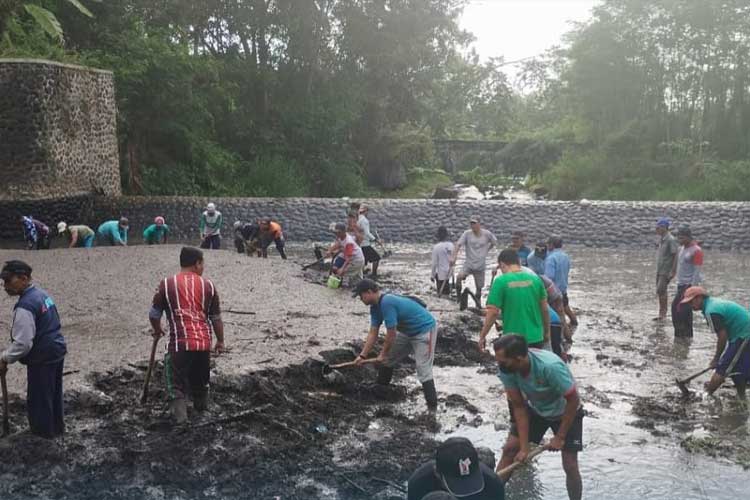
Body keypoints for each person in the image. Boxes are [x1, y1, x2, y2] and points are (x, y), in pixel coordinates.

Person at [493, 335, 583, 500]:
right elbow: (519, 407)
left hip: (567, 411)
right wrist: (524, 446)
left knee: (570, 464)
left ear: (519, 358)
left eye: (503, 361)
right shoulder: (507, 369)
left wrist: (560, 437)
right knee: (510, 449)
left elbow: (573, 399)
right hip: (537, 409)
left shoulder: (549, 367)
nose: (499, 365)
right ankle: (491, 496)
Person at [149, 247, 225, 423]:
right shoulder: (209, 286)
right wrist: (220, 341)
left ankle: (182, 423)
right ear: (197, 263)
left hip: (179, 344)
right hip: (203, 344)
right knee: (200, 382)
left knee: (175, 385)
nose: (203, 267)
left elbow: (154, 314)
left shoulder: (166, 284)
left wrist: (158, 328)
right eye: (202, 263)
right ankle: (203, 415)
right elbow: (216, 318)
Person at [0, 260, 67, 437]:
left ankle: (42, 435)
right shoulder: (41, 294)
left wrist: (4, 358)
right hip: (56, 349)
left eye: (8, 281)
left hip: (42, 356)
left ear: (23, 278)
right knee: (53, 393)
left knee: (39, 398)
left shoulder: (25, 306)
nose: (4, 286)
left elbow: (23, 343)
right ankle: (57, 429)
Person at [353, 279, 439, 409]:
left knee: (423, 369)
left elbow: (391, 333)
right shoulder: (375, 308)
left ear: (369, 292)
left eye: (361, 295)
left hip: (425, 330)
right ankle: (381, 393)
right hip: (407, 332)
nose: (360, 299)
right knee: (388, 361)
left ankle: (432, 409)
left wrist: (382, 353)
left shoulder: (387, 302)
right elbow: (373, 333)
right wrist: (363, 356)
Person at [681, 287, 749, 398]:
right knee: (736, 369)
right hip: (740, 334)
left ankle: (706, 395)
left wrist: (716, 358)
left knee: (722, 368)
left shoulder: (711, 311)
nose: (690, 305)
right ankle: (741, 396)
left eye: (691, 301)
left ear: (699, 298)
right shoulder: (712, 304)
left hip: (744, 335)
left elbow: (722, 337)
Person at [480, 249, 550, 351]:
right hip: (536, 338)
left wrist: (483, 336)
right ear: (519, 262)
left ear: (502, 265)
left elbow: (493, 312)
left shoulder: (501, 281)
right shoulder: (535, 280)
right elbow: (545, 309)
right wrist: (546, 333)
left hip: (513, 340)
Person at [407, 437, 505, 500]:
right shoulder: (419, 484)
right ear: (437, 472)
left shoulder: (493, 484)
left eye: (470, 481)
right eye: (457, 484)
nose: (466, 490)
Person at [451, 217, 497, 307]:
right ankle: (458, 299)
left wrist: (487, 250)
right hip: (469, 263)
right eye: (471, 223)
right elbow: (458, 245)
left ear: (479, 224)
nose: (473, 225)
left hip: (480, 265)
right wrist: (454, 257)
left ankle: (478, 304)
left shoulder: (487, 234)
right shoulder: (467, 234)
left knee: (479, 288)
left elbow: (494, 242)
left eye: (474, 223)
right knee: (459, 277)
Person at [672, 225, 703, 337]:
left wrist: (692, 289)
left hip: (688, 286)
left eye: (681, 238)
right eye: (678, 238)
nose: (679, 240)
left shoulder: (697, 251)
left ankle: (685, 338)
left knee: (680, 310)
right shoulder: (681, 249)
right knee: (678, 312)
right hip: (680, 285)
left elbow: (697, 271)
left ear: (688, 237)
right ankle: (681, 337)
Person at [545, 236, 577, 326]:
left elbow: (549, 277)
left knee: (557, 316)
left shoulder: (551, 258)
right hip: (563, 289)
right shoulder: (565, 256)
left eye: (548, 244)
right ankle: (574, 322)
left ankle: (564, 336)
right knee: (566, 308)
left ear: (552, 245)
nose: (547, 246)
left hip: (554, 293)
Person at [654, 217, 679, 321]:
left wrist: (673, 271)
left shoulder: (670, 239)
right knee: (660, 291)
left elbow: (675, 255)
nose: (656, 229)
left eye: (658, 227)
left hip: (665, 271)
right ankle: (661, 312)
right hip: (660, 270)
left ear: (664, 227)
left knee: (661, 290)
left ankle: (663, 314)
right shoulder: (662, 239)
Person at [326, 222, 365, 287]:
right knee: (358, 278)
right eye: (336, 232)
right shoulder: (341, 237)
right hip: (354, 258)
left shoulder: (348, 242)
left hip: (356, 260)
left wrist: (342, 269)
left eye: (339, 232)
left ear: (344, 231)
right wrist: (330, 250)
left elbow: (348, 259)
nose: (337, 234)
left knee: (343, 273)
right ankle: (359, 286)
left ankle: (344, 288)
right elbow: (338, 244)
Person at [357, 205, 382, 279]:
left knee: (364, 260)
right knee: (376, 258)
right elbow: (367, 233)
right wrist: (376, 240)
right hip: (365, 244)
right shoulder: (364, 220)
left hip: (359, 243)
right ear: (366, 211)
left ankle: (360, 275)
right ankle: (374, 274)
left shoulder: (357, 219)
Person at [431, 227, 454, 296]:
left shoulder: (437, 247)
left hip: (441, 275)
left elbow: (434, 263)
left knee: (441, 294)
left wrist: (432, 275)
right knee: (447, 292)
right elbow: (454, 260)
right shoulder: (451, 245)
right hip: (450, 273)